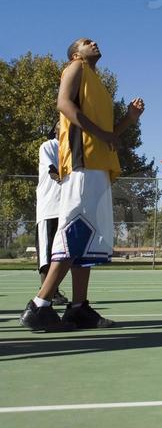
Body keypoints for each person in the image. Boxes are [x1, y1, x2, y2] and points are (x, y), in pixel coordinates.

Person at [20, 38, 145, 332]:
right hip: (81, 164)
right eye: (86, 42)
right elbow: (63, 104)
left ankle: (78, 308)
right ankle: (40, 306)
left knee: (88, 239)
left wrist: (129, 119)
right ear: (76, 53)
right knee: (75, 231)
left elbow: (108, 138)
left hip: (98, 166)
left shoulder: (98, 85)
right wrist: (102, 134)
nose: (94, 42)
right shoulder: (75, 67)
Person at [34, 124, 67, 305]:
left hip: (66, 209)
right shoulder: (48, 146)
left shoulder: (72, 149)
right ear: (56, 130)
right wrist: (64, 178)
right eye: (61, 123)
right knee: (46, 254)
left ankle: (53, 290)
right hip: (49, 208)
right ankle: (47, 293)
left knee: (60, 253)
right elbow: (52, 169)